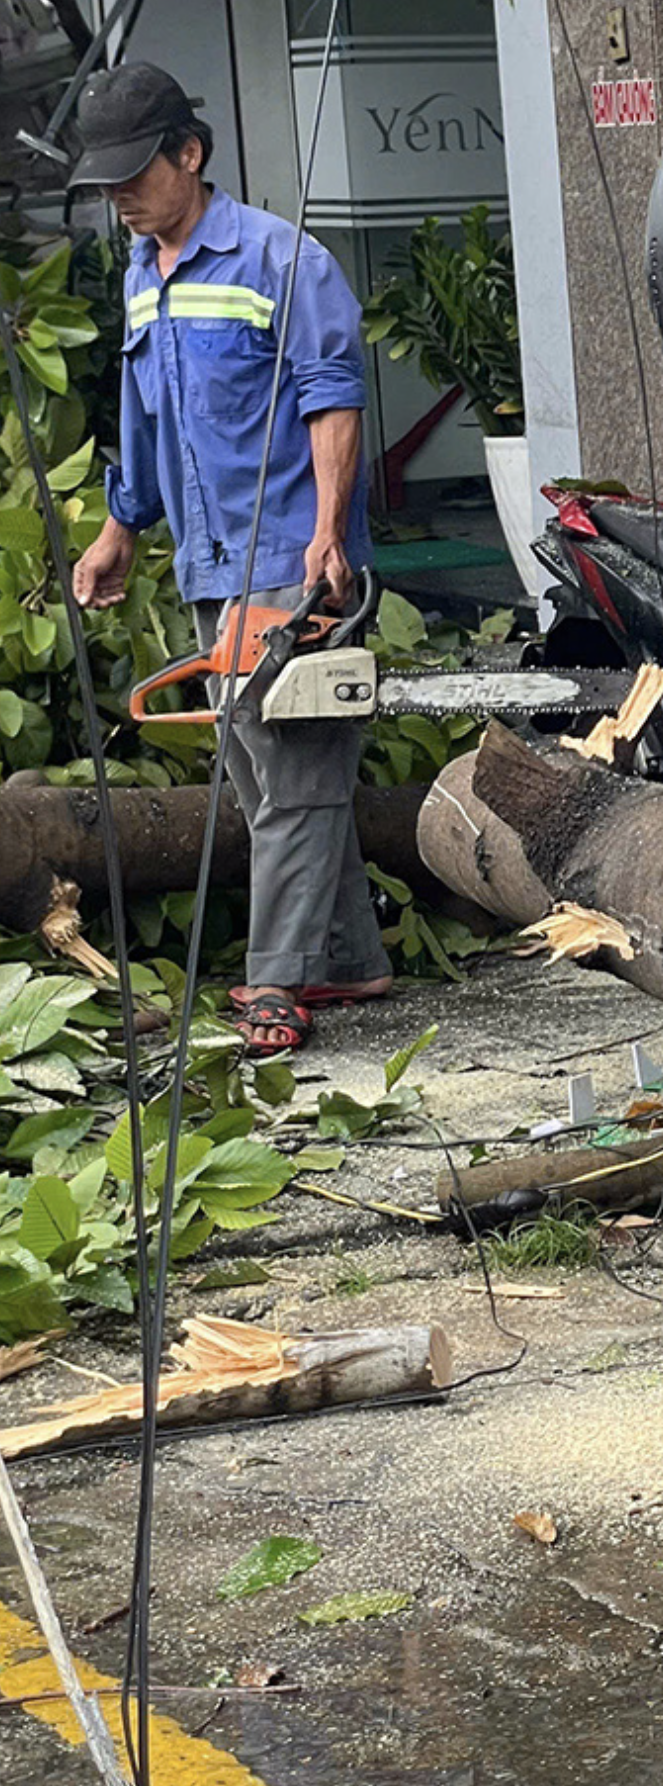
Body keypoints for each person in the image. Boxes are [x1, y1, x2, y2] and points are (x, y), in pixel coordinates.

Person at [66, 62, 382, 1052]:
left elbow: (333, 398)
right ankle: (352, 960)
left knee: (292, 779)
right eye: (104, 182)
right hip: (209, 566)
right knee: (259, 776)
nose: (119, 198)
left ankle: (278, 983)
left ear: (190, 153)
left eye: (135, 173)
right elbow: (142, 414)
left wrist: (328, 530)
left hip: (296, 566)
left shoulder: (281, 263)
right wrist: (123, 527)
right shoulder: (141, 274)